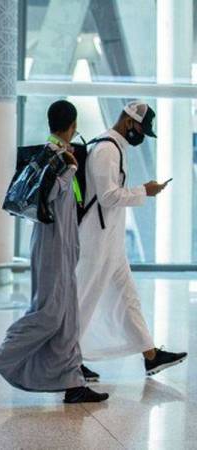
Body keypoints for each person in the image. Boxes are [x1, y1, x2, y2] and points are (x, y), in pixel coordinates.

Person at [0, 100, 109, 404]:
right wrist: (69, 169)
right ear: (71, 126)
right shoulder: (54, 158)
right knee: (49, 314)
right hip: (51, 244)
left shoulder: (61, 155)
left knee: (68, 315)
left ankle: (73, 384)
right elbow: (48, 197)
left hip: (64, 243)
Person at [76, 101, 187, 382]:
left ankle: (150, 356)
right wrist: (144, 191)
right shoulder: (106, 150)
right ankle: (69, 360)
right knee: (84, 301)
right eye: (140, 128)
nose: (141, 134)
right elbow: (108, 197)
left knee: (128, 298)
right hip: (96, 240)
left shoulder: (114, 148)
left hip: (110, 240)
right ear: (128, 121)